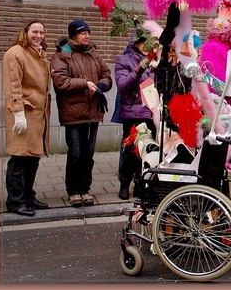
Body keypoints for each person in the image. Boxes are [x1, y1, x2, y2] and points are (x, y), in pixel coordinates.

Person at [50, 20, 112, 207]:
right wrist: (84, 83)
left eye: (88, 32)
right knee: (76, 153)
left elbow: (106, 74)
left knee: (88, 154)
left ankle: (85, 189)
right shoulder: (62, 56)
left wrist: (102, 84)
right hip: (74, 113)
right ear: (73, 35)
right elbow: (61, 82)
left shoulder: (93, 54)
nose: (87, 36)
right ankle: (73, 190)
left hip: (93, 111)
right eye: (82, 33)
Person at [2, 20, 52, 217]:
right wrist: (17, 112)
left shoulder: (38, 54)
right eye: (34, 32)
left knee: (32, 158)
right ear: (26, 32)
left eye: (41, 32)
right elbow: (12, 84)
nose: (38, 36)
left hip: (37, 114)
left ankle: (28, 196)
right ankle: (15, 201)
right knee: (19, 158)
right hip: (25, 112)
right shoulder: (15, 53)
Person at [114, 35, 157, 200]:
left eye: (150, 43)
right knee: (131, 151)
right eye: (143, 43)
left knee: (148, 152)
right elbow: (123, 85)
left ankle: (141, 184)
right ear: (135, 43)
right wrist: (140, 68)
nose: (147, 46)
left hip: (151, 112)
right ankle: (124, 183)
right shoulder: (124, 60)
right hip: (133, 112)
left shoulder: (155, 61)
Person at [199, 0, 231, 94]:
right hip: (220, 100)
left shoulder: (225, 48)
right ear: (230, 33)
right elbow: (217, 82)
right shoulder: (214, 49)